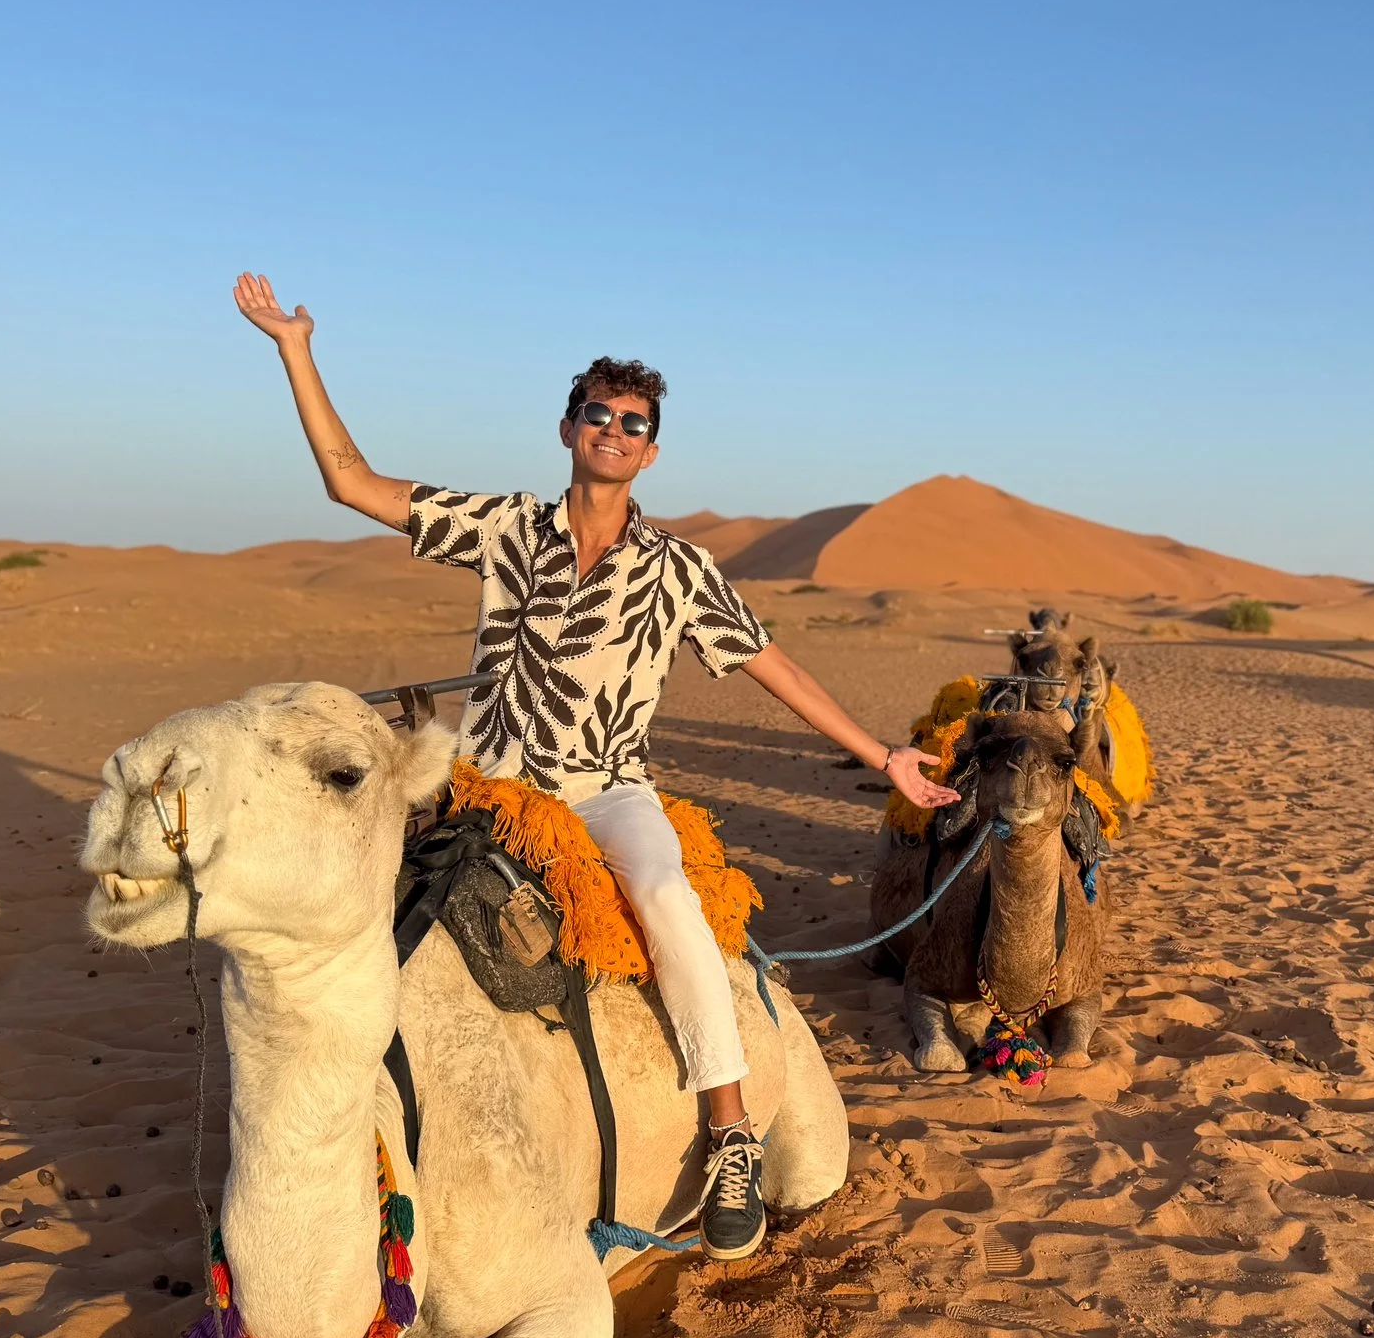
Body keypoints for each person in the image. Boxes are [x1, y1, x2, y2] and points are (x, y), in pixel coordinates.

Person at [232, 272, 956, 1260]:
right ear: (568, 428)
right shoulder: (503, 528)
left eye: (631, 420)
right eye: (596, 412)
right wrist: (294, 348)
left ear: (650, 449)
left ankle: (730, 1130)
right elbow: (352, 483)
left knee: (665, 896)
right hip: (485, 783)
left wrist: (882, 757)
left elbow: (768, 662)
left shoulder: (679, 570)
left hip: (606, 789)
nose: (612, 428)